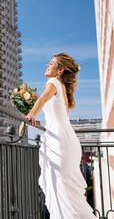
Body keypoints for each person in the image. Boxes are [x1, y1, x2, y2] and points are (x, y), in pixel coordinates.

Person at [23, 53, 97, 219]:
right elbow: (54, 118)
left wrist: (31, 115)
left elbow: (41, 99)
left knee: (62, 188)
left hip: (60, 142)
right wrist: (33, 117)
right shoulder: (60, 85)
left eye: (51, 63)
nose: (46, 65)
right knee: (66, 190)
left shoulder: (53, 82)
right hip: (64, 139)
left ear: (60, 70)